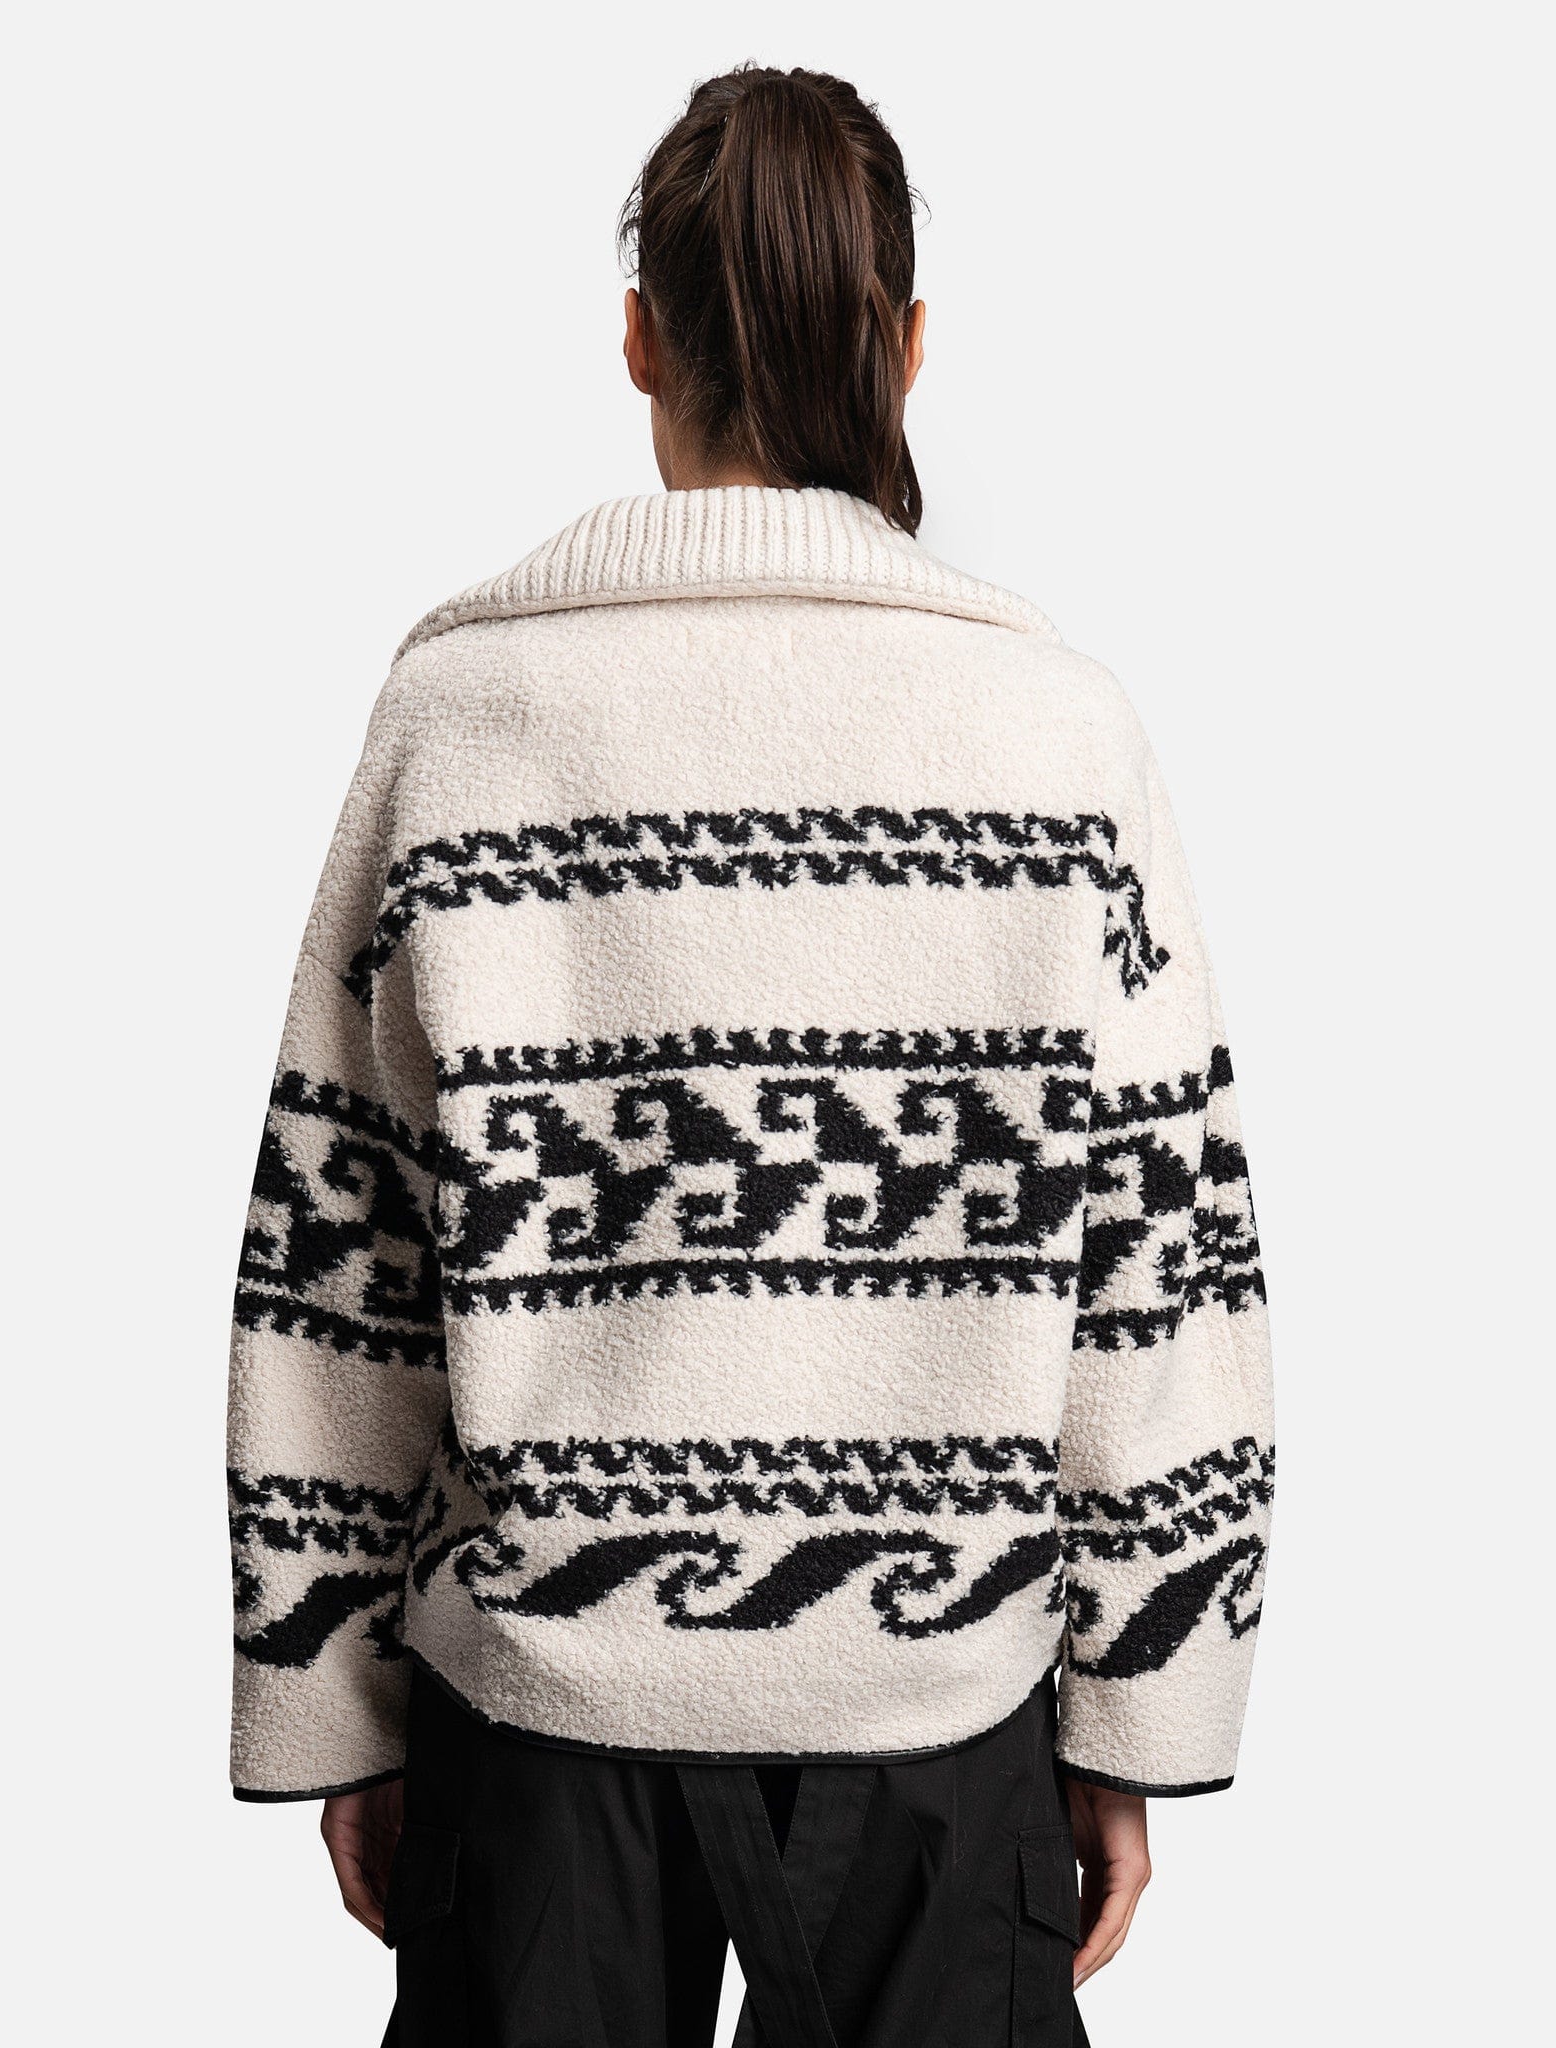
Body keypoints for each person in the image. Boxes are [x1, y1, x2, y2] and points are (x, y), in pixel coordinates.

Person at [227, 63, 1273, 2048]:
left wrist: (327, 1695)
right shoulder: (1057, 736)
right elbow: (1164, 1264)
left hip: (537, 1737)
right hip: (939, 1717)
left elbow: (336, 1247)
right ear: (908, 344)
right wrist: (1142, 1707)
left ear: (639, 336)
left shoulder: (464, 715)